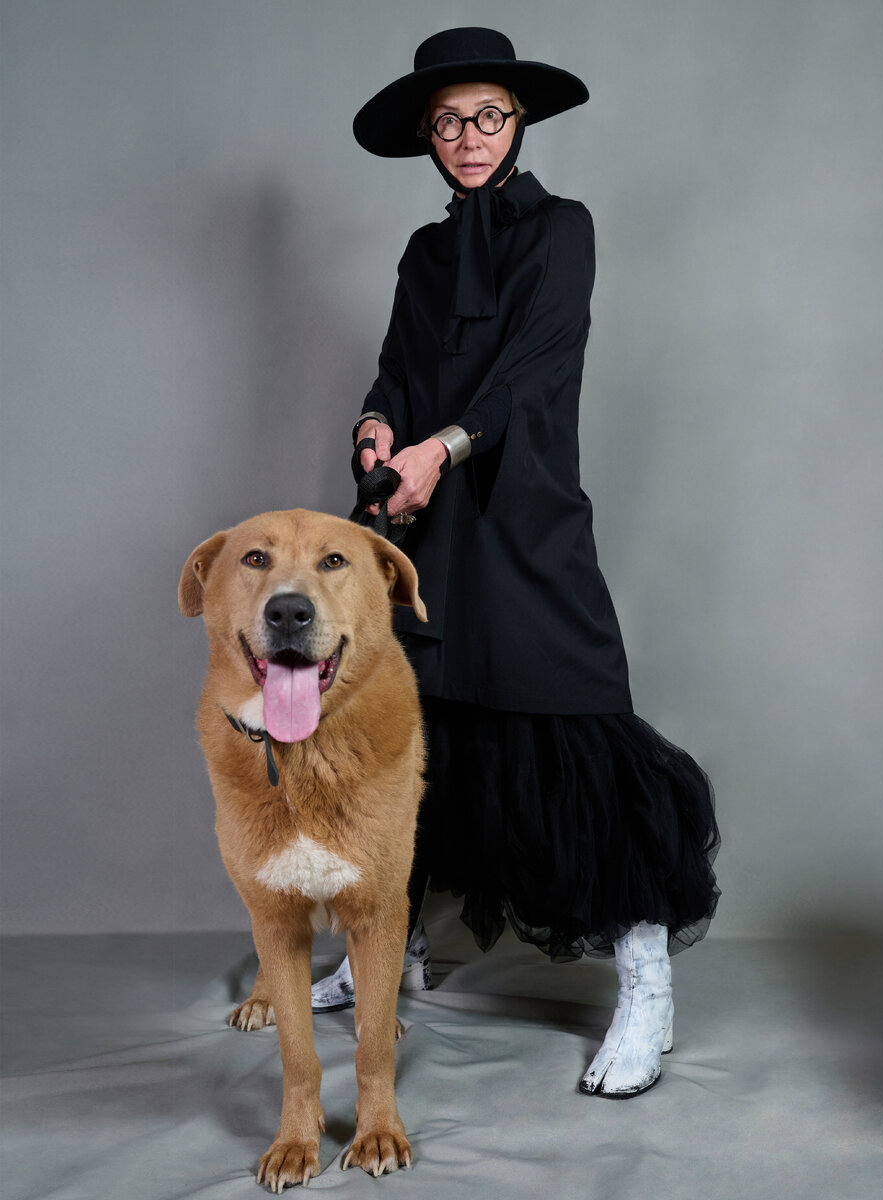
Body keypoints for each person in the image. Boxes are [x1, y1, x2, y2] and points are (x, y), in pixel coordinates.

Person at [312, 26, 720, 1098]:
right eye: (447, 121)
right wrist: (373, 431)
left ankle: (645, 983)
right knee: (414, 731)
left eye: (488, 115)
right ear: (426, 136)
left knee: (573, 733)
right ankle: (391, 950)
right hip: (421, 522)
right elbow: (395, 371)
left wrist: (440, 451)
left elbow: (534, 371)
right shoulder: (423, 252)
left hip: (521, 512)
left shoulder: (561, 229)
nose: (469, 136)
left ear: (519, 121)